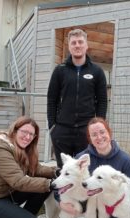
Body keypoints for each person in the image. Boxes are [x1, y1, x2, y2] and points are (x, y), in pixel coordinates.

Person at [56, 117, 130, 218]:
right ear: (90, 138)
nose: (99, 137)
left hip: (113, 206)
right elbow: (64, 179)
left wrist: (129, 206)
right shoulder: (82, 158)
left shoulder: (124, 159)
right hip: (89, 206)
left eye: (102, 132)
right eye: (94, 135)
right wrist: (61, 202)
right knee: (89, 210)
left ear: (109, 132)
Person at [47, 28, 108, 169]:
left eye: (80, 42)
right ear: (69, 47)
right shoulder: (60, 71)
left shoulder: (97, 71)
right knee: (65, 172)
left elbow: (102, 101)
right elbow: (52, 99)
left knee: (85, 172)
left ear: (86, 45)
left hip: (86, 131)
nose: (77, 45)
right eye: (73, 43)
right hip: (62, 131)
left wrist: (98, 125)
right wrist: (53, 126)